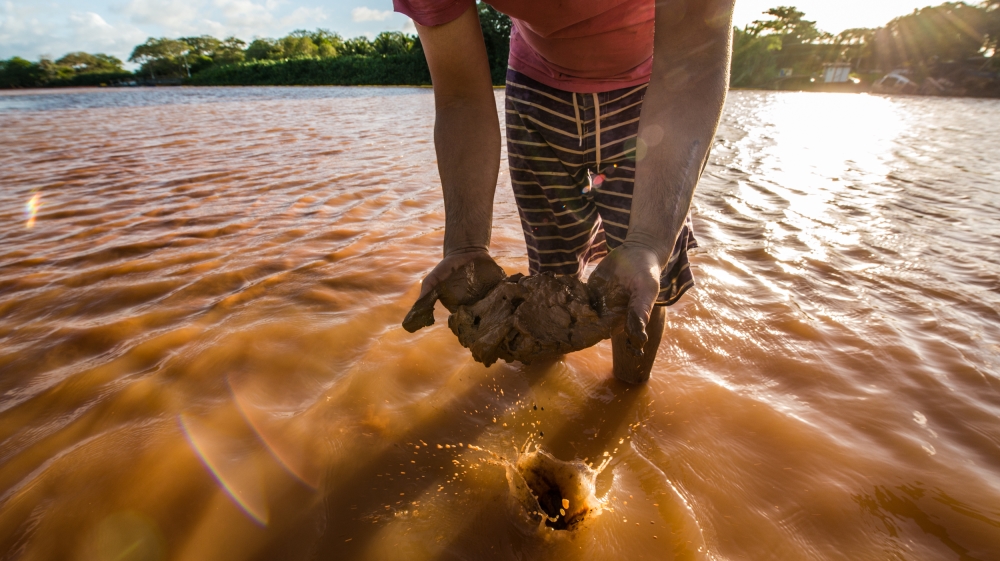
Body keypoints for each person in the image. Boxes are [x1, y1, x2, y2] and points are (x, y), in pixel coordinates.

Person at [395, 0, 735, 383]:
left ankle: (627, 391)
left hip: (655, 84)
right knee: (549, 280)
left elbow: (694, 59)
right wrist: (464, 243)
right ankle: (546, 401)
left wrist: (649, 240)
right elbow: (460, 96)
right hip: (537, 91)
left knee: (637, 281)